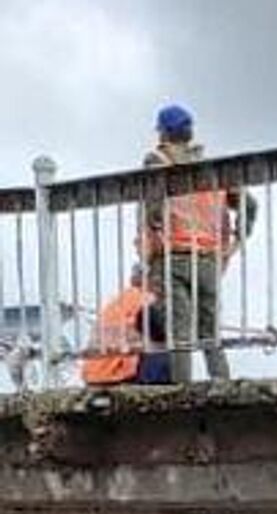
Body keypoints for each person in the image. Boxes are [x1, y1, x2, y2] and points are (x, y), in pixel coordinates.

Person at [141, 104, 256, 383]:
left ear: (164, 133)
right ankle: (222, 382)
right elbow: (249, 204)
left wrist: (153, 231)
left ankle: (183, 389)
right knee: (210, 329)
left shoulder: (158, 160)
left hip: (173, 256)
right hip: (208, 259)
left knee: (179, 329)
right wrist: (239, 238)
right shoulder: (214, 170)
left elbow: (154, 204)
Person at [81, 267, 171, 386]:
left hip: (94, 374)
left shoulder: (117, 302)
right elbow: (162, 334)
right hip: (119, 374)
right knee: (164, 349)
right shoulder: (147, 300)